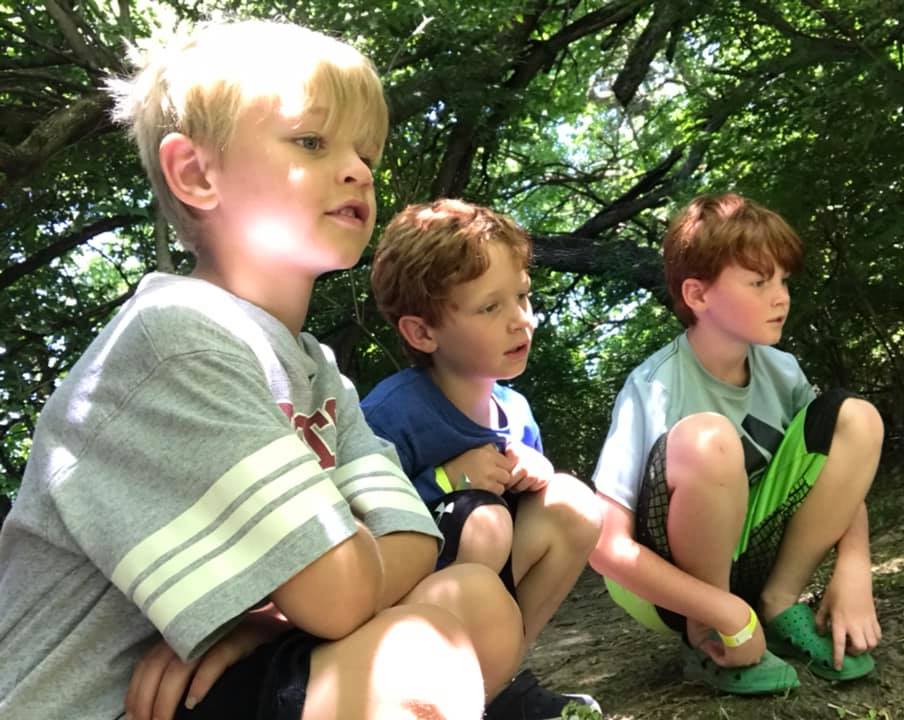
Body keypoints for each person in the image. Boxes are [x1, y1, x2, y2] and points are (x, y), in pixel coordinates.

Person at [0, 20, 524, 720]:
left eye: (364, 151)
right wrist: (310, 596)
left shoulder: (317, 372)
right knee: (411, 657)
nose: (359, 170)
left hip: (207, 674)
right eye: (312, 141)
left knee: (478, 603)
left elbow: (416, 542)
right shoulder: (180, 342)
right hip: (104, 703)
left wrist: (268, 614)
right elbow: (340, 591)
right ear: (196, 173)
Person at [589, 193, 883, 694]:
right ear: (698, 296)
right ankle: (712, 632)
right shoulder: (654, 386)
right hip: (670, 586)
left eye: (783, 279)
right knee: (709, 439)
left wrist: (855, 568)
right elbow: (605, 545)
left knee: (855, 417)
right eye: (758, 281)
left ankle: (777, 604)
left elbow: (827, 465)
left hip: (757, 551)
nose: (781, 296)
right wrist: (717, 609)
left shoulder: (781, 369)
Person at [361, 198, 604, 719]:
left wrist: (535, 476)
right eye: (491, 307)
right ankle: (437, 692)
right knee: (484, 522)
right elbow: (361, 524)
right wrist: (447, 479)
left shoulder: (515, 410)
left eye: (522, 297)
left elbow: (533, 513)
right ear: (422, 332)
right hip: (406, 613)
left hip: (492, 593)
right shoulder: (391, 413)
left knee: (573, 503)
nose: (521, 320)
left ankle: (498, 683)